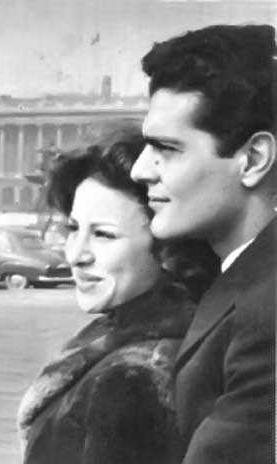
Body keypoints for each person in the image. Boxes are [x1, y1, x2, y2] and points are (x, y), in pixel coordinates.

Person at [17, 124, 219, 464]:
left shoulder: (131, 382)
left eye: (104, 235)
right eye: (73, 229)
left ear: (168, 248)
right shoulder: (144, 339)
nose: (76, 254)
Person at [130, 24, 276, 464]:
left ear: (252, 160)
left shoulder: (266, 314)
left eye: (167, 148)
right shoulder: (246, 276)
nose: (140, 170)